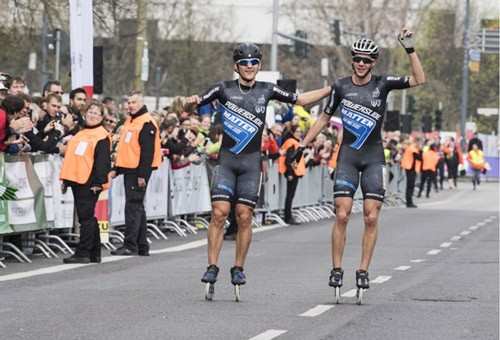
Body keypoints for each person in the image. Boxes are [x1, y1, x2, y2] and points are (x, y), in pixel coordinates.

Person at [186, 42, 331, 292]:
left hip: (252, 163)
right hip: (227, 161)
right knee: (219, 213)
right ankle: (212, 266)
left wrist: (330, 88)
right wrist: (188, 103)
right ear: (236, 66)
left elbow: (301, 100)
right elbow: (195, 104)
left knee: (244, 216)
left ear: (259, 66)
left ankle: (238, 267)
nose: (249, 67)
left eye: (254, 63)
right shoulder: (223, 88)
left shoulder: (267, 90)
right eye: (244, 63)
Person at [297, 29, 425, 299]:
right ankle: (336, 269)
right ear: (352, 60)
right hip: (348, 157)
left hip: (374, 157)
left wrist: (410, 50)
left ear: (374, 62)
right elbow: (323, 119)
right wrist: (302, 143)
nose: (361, 63)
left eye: (367, 60)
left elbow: (419, 79)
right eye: (357, 58)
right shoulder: (341, 86)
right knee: (342, 214)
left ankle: (363, 270)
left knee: (371, 215)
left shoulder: (383, 83)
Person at [110, 91, 162, 256]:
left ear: (141, 103)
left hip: (137, 170)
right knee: (137, 207)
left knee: (132, 207)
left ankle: (130, 244)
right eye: (129, 102)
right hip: (130, 169)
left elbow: (147, 151)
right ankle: (141, 245)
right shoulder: (131, 121)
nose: (129, 105)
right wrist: (117, 169)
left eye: (133, 102)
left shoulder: (146, 122)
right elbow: (126, 148)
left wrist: (142, 175)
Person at [60, 101, 111, 263]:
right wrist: (66, 180)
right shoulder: (81, 133)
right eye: (91, 111)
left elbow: (103, 162)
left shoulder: (102, 135)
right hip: (76, 179)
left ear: (102, 117)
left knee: (86, 218)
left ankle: (83, 252)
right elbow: (73, 158)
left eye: (97, 113)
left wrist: (98, 183)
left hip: (89, 181)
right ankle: (94, 252)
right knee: (88, 217)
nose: (92, 115)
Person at [278, 126, 305, 225]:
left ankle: (288, 216)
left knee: (290, 195)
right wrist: (289, 173)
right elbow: (289, 159)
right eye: (297, 131)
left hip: (294, 172)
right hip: (292, 173)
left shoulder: (294, 142)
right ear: (293, 132)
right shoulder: (292, 142)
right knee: (289, 195)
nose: (299, 133)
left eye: (300, 131)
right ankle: (288, 217)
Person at [401, 137, 422, 207]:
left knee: (410, 185)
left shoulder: (412, 148)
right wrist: (421, 150)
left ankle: (409, 202)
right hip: (410, 168)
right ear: (417, 142)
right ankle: (409, 202)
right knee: (410, 186)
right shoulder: (413, 148)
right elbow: (419, 158)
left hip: (410, 168)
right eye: (420, 143)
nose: (420, 144)